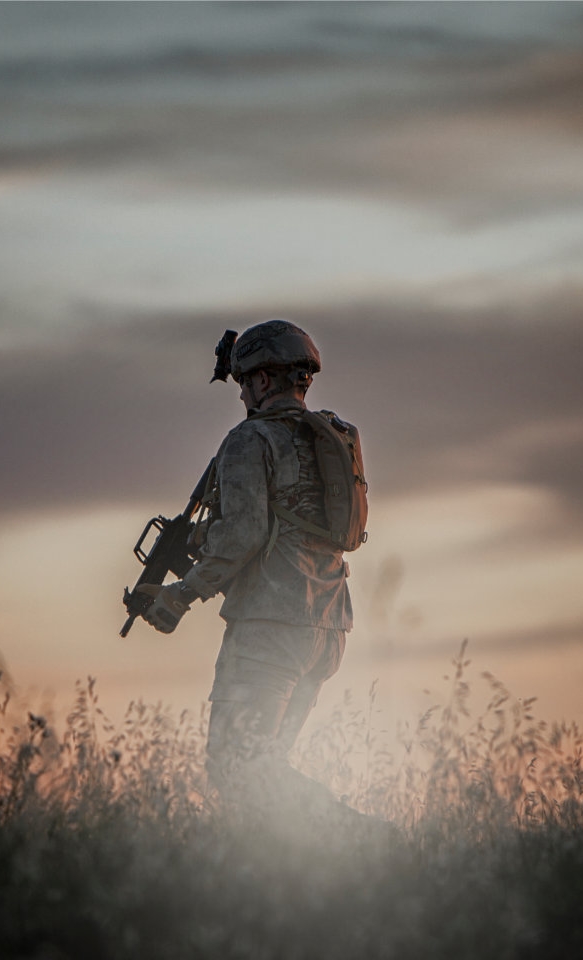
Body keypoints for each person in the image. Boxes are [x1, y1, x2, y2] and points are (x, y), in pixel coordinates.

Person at [137, 320, 365, 815]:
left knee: (236, 766)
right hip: (327, 628)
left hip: (271, 629)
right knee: (263, 773)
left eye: (243, 384)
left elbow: (243, 533)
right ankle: (294, 880)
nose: (241, 396)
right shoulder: (330, 436)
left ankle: (366, 842)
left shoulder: (251, 438)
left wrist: (182, 594)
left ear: (262, 380)